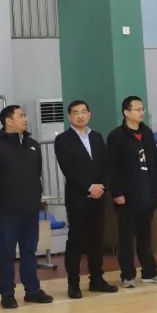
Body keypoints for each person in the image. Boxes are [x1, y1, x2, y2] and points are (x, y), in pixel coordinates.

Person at [0, 105, 54, 308]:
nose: (25, 119)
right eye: (20, 116)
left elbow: (36, 173)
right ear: (8, 120)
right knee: (7, 252)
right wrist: (5, 195)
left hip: (30, 207)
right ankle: (7, 292)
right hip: (8, 209)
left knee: (29, 250)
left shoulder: (33, 145)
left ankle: (32, 289)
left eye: (25, 115)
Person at [54, 100, 118, 299]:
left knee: (96, 239)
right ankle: (73, 283)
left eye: (83, 112)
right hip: (78, 196)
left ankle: (96, 279)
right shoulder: (63, 140)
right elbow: (68, 169)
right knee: (76, 239)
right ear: (69, 117)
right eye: (75, 112)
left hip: (99, 196)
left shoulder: (97, 136)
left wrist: (102, 186)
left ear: (89, 115)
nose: (80, 116)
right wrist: (90, 187)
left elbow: (106, 165)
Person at [105, 96, 157, 287]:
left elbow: (154, 162)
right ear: (126, 112)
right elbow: (112, 167)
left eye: (142, 109)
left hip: (147, 193)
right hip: (127, 195)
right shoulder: (116, 136)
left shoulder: (146, 133)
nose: (142, 112)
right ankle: (127, 274)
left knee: (145, 236)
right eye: (137, 109)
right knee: (126, 237)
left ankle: (149, 271)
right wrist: (117, 192)